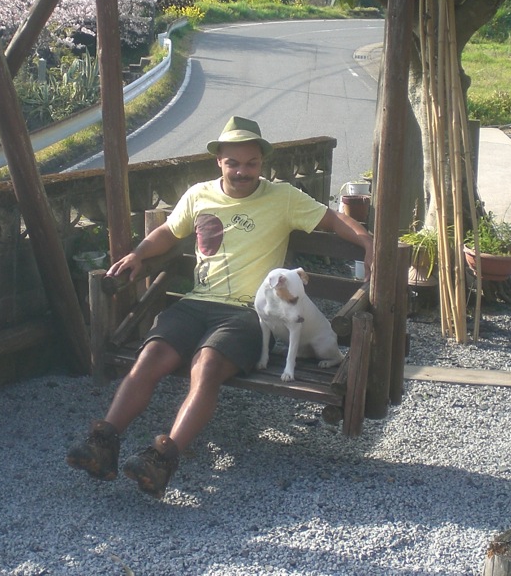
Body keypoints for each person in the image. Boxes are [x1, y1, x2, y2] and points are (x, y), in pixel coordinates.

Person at [66, 116, 373, 498]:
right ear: (219, 162)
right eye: (234, 163)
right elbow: (168, 232)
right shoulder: (199, 194)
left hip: (251, 314)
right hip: (196, 304)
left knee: (206, 365)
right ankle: (104, 441)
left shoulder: (283, 198)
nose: (242, 172)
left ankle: (163, 458)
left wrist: (367, 241)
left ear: (262, 163)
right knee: (151, 356)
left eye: (251, 163)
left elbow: (332, 219)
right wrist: (137, 255)